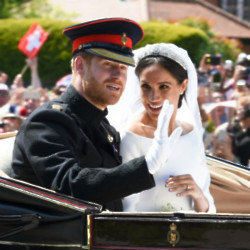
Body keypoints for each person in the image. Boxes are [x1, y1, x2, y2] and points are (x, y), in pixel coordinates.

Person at [11, 18, 176, 212]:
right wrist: (146, 165)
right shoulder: (47, 122)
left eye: (123, 67)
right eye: (108, 64)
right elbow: (70, 187)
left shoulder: (104, 127)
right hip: (60, 239)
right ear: (80, 65)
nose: (117, 75)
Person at [109, 43, 216, 212]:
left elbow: (205, 206)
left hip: (190, 233)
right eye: (146, 87)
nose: (154, 97)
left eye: (163, 87)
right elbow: (125, 207)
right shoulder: (130, 136)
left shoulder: (191, 134)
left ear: (183, 86)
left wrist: (199, 195)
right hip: (145, 236)